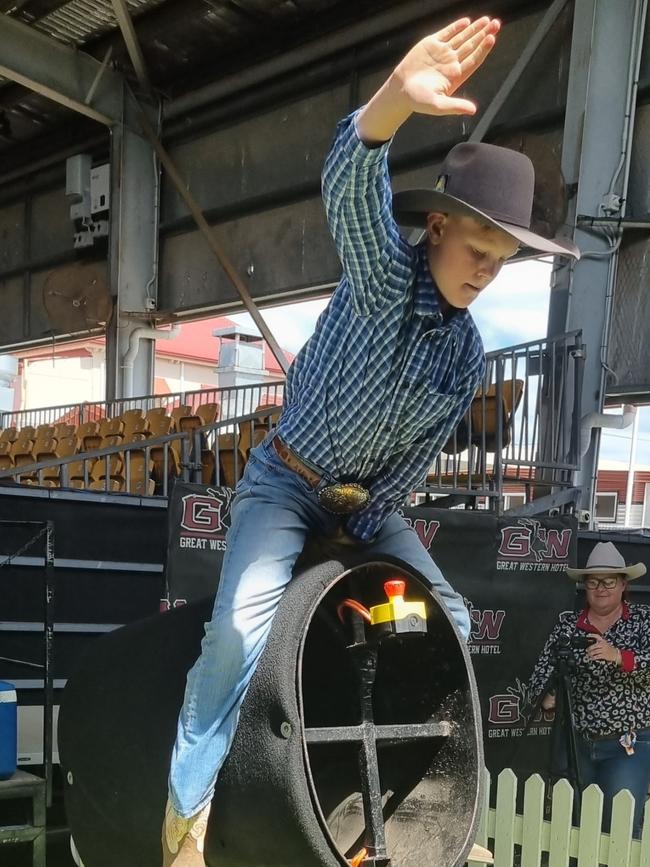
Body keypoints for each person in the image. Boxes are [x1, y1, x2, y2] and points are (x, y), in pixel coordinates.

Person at [162, 15, 579, 865]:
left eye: (501, 260)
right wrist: (391, 102)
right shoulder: (383, 269)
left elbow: (408, 464)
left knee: (452, 615)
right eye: (478, 248)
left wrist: (364, 524)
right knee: (238, 632)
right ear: (437, 229)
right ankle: (183, 819)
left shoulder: (466, 354)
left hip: (372, 506)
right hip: (288, 481)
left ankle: (416, 804)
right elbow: (350, 179)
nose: (484, 270)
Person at [526, 541, 650, 835]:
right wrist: (547, 695)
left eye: (609, 581)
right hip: (576, 743)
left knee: (621, 827)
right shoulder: (568, 625)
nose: (601, 588)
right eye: (593, 582)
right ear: (585, 586)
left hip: (627, 744)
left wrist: (619, 656)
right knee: (572, 828)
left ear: (623, 584)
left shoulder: (645, 620)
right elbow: (540, 677)